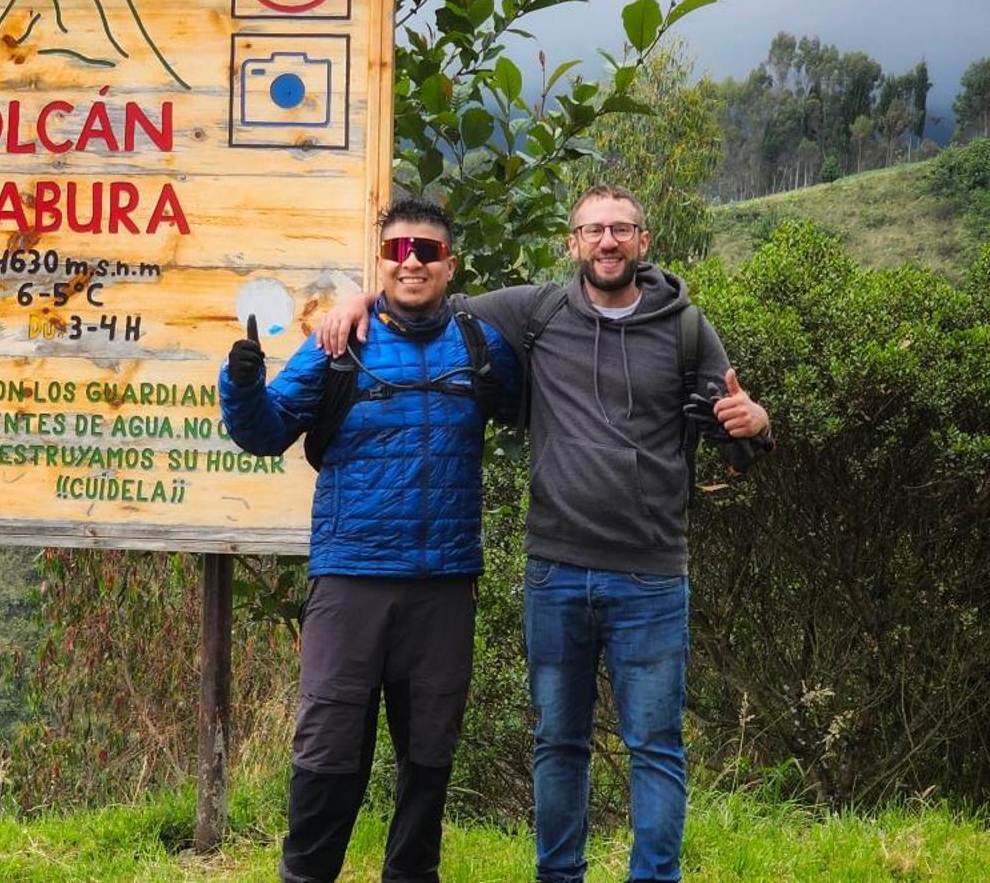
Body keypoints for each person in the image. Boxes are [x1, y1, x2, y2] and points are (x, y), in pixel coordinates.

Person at [315, 185, 773, 883]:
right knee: (557, 742)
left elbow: (734, 431)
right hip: (555, 570)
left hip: (651, 574)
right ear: (573, 243)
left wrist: (756, 428)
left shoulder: (686, 326)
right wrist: (357, 301)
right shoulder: (539, 310)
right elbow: (427, 297)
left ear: (644, 241)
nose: (607, 241)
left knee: (655, 745)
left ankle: (655, 876)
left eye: (621, 229)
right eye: (593, 230)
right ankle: (559, 876)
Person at [221, 197, 521, 883]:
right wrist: (241, 384)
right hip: (351, 577)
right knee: (328, 750)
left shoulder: (481, 345)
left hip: (444, 583)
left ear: (450, 263)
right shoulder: (339, 344)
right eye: (396, 250)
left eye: (426, 250)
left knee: (429, 756)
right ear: (379, 260)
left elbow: (545, 404)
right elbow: (265, 432)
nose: (410, 261)